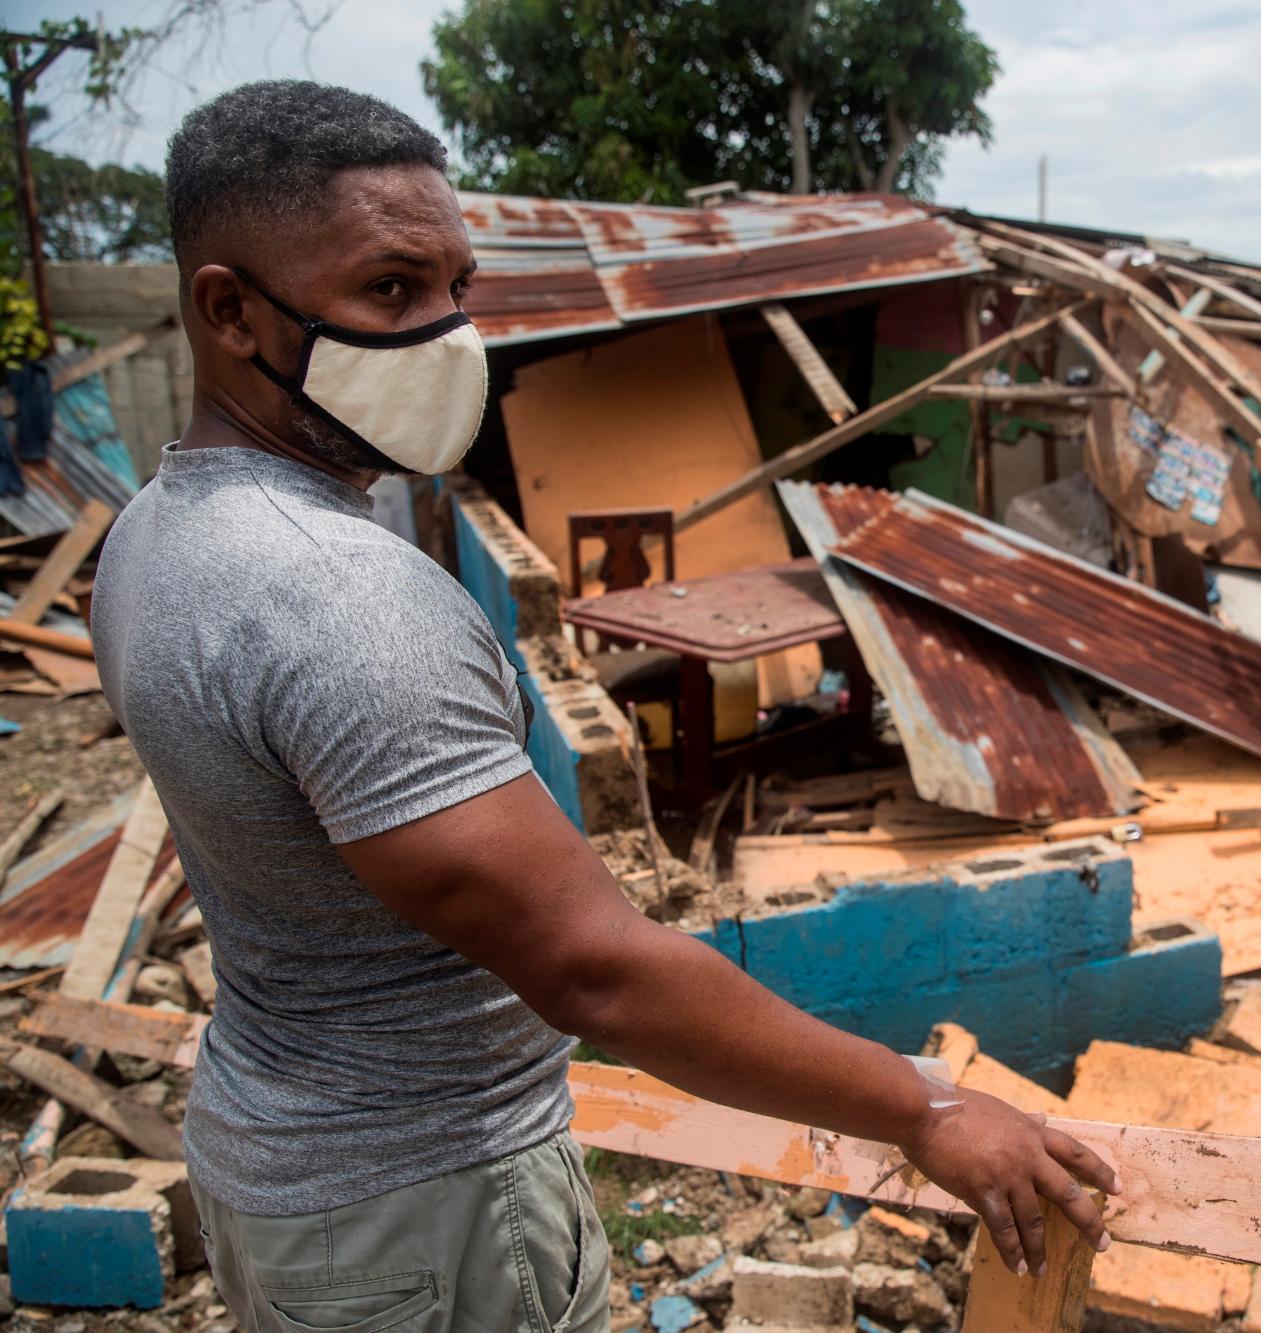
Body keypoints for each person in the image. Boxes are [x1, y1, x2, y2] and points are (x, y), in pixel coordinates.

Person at [92, 80, 1116, 1332]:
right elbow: (596, 972)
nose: (448, 336)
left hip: (280, 1169)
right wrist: (927, 1108)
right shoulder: (341, 596)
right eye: (391, 292)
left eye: (457, 288)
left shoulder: (152, 535)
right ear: (230, 311)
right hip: (429, 1212)